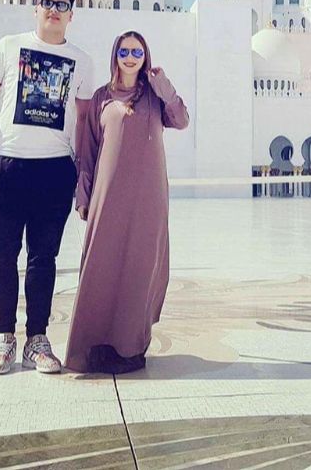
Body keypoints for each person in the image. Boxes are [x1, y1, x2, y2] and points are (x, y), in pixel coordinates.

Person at [0, 0, 94, 375]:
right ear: (36, 8)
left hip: (55, 169)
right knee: (1, 256)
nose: (53, 10)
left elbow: (85, 120)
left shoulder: (81, 61)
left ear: (71, 14)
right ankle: (3, 338)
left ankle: (37, 340)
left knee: (43, 259)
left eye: (61, 5)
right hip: (7, 167)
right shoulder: (8, 46)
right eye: (47, 2)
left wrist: (85, 171)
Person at [65, 30, 188, 374]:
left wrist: (165, 87)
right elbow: (88, 150)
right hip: (109, 193)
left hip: (148, 196)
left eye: (137, 52)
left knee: (140, 267)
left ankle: (130, 347)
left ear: (145, 56)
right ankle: (96, 345)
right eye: (124, 51)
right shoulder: (101, 98)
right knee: (102, 266)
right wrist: (83, 195)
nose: (130, 57)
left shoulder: (154, 96)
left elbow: (181, 120)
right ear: (115, 56)